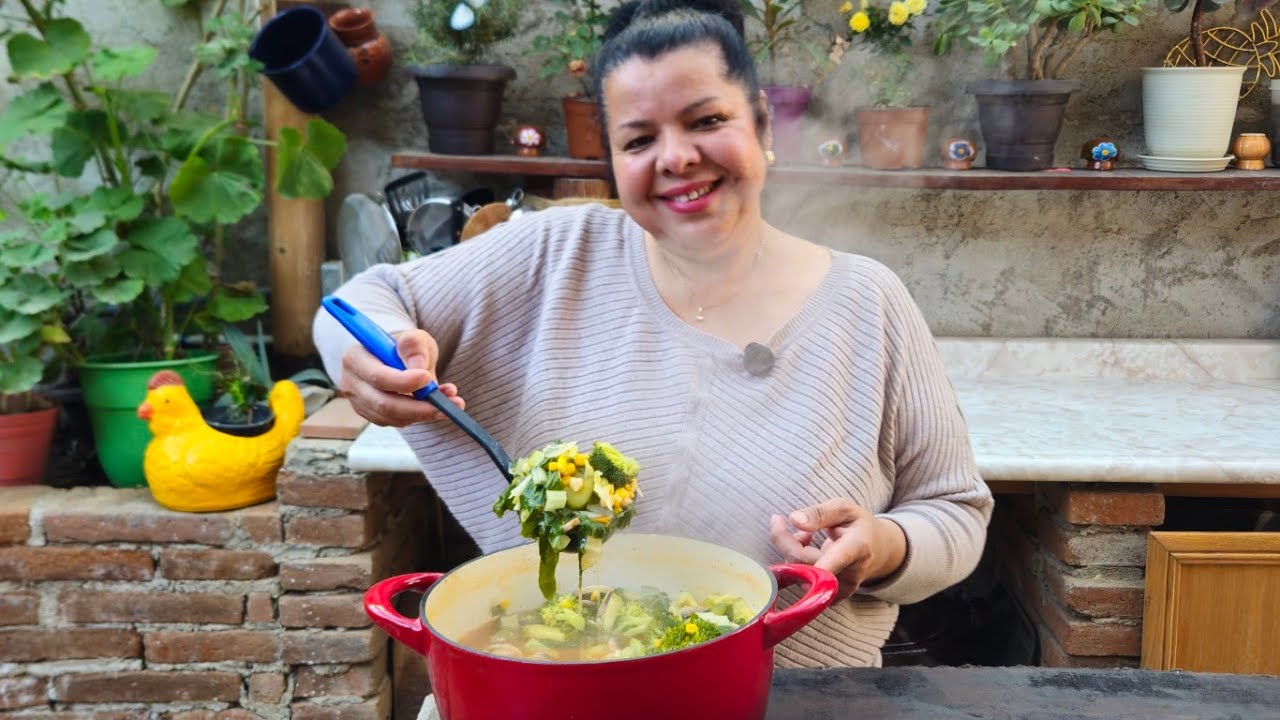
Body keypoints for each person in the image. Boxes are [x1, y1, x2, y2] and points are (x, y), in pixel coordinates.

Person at [313, 0, 992, 668]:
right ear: (611, 160)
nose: (676, 157)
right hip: (565, 688)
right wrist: (371, 360)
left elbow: (954, 514)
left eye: (707, 120)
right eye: (639, 140)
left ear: (762, 127)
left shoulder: (866, 303)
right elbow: (364, 300)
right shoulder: (555, 253)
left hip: (795, 700)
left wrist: (882, 545)